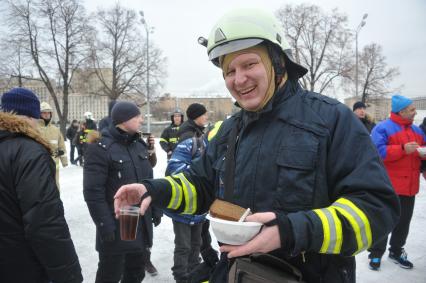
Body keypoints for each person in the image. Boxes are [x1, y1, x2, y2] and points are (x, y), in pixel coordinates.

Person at [114, 8, 399, 283]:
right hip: (238, 272)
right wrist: (154, 189)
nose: (239, 79)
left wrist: (291, 231)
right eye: (229, 70)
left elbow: (375, 209)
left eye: (249, 64)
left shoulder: (331, 119)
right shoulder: (227, 130)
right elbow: (201, 185)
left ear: (277, 63)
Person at [0, 87, 83, 283]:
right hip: (20, 265)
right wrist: (69, 275)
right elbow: (44, 223)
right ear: (32, 116)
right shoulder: (29, 151)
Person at [83, 101, 161, 283]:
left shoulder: (140, 145)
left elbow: (149, 182)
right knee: (110, 275)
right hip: (116, 223)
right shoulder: (100, 148)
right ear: (123, 120)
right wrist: (105, 225)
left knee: (136, 273)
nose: (142, 120)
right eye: (137, 116)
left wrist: (156, 209)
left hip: (140, 222)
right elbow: (93, 192)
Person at [368, 94, 425, 271]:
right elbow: (376, 152)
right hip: (388, 186)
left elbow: (421, 152)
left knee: (403, 222)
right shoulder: (382, 128)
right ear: (401, 111)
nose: (415, 112)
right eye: (412, 109)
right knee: (383, 221)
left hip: (409, 187)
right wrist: (401, 149)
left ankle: (396, 251)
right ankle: (376, 253)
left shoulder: (417, 131)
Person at [164, 103, 213, 283]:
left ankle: (194, 272)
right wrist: (201, 177)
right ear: (196, 116)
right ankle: (181, 276)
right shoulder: (188, 136)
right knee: (184, 245)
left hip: (198, 204)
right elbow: (174, 169)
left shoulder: (199, 133)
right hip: (183, 202)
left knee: (197, 242)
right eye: (204, 114)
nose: (206, 117)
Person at [38, 101, 68, 189]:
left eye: (48, 113)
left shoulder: (56, 130)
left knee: (54, 185)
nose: (47, 115)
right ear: (39, 114)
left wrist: (64, 161)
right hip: (38, 164)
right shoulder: (34, 128)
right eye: (44, 112)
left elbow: (62, 146)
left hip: (54, 164)